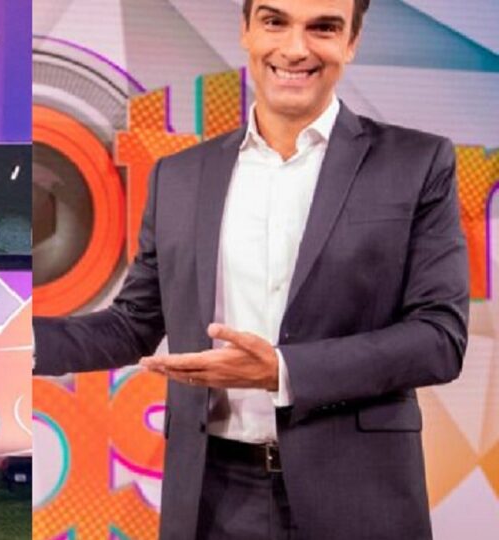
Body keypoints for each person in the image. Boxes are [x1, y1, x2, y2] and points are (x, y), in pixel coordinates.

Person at [32, 0, 469, 538]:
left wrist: (282, 370)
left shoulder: (416, 163)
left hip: (359, 494)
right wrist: (17, 346)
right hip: (212, 497)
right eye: (274, 21)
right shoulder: (179, 176)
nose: (295, 48)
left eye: (323, 27)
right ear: (245, 30)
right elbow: (132, 325)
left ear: (352, 41)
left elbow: (439, 338)